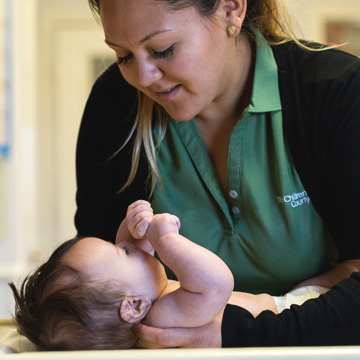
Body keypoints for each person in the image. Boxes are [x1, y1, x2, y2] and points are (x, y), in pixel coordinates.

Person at [75, 0, 360, 347]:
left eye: (163, 49)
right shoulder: (114, 107)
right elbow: (97, 297)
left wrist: (243, 330)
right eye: (123, 56)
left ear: (231, 10)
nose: (142, 77)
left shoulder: (338, 92)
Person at [9, 200, 357, 350]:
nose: (135, 244)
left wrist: (131, 230)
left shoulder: (145, 305)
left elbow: (131, 271)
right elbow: (217, 283)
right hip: (291, 311)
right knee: (349, 273)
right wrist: (166, 240)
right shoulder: (162, 317)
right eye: (124, 251)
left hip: (289, 303)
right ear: (131, 306)